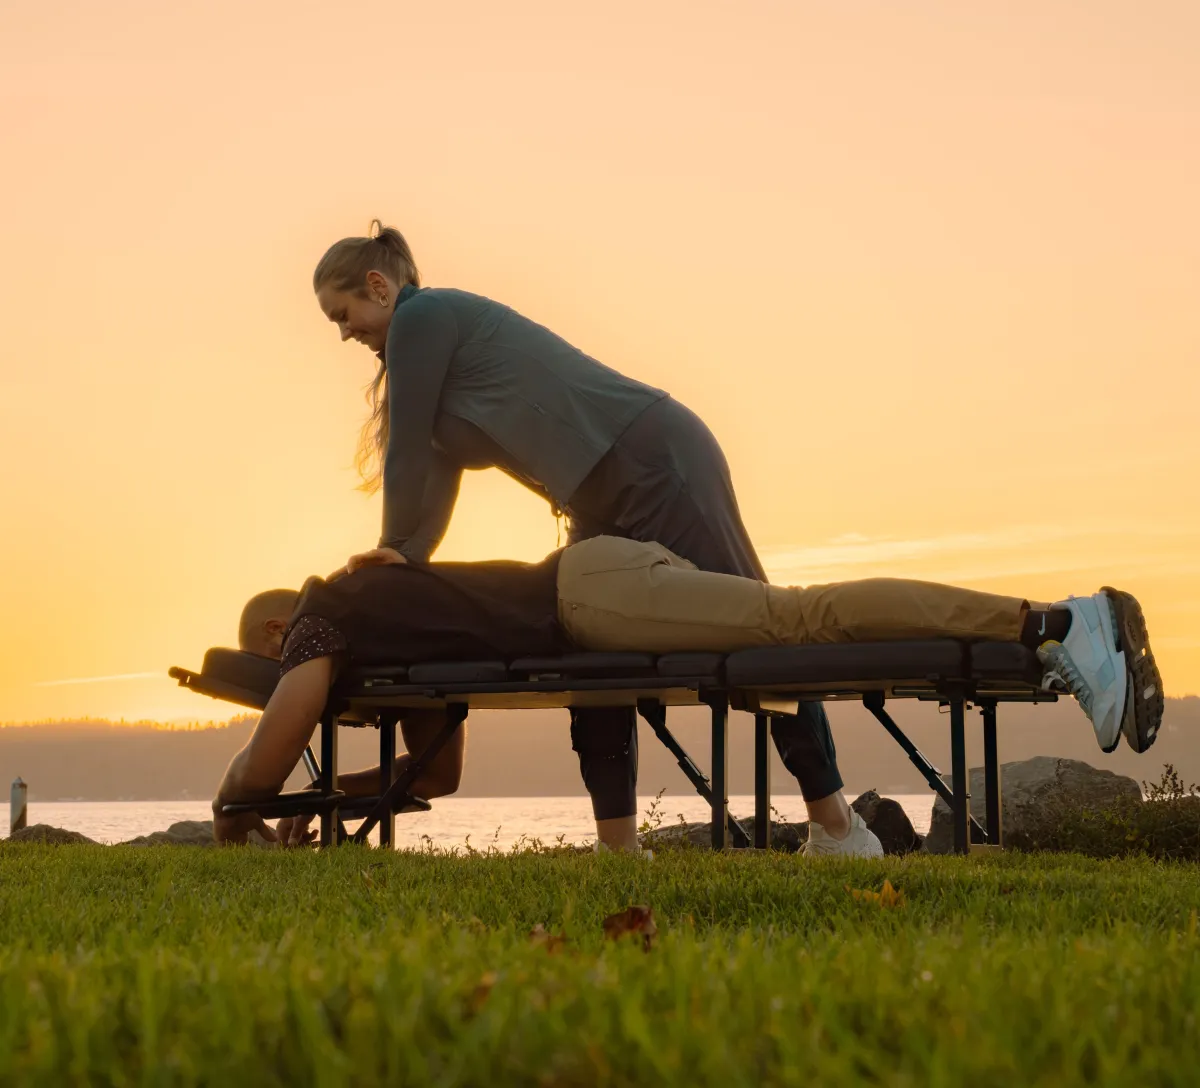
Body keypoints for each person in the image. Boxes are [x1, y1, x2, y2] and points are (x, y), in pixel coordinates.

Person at [309, 220, 859, 855]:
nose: (346, 332)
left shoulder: (423, 317)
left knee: (759, 626)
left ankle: (839, 827)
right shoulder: (426, 354)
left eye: (342, 314)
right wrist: (403, 557)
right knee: (593, 659)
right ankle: (619, 848)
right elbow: (432, 474)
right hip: (595, 496)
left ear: (377, 286)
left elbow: (404, 447)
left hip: (654, 459)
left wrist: (398, 549)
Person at [214, 535, 1164, 851]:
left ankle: (1054, 623)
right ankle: (1047, 642)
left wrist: (235, 801)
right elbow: (444, 770)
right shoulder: (388, 628)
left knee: (801, 621)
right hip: (599, 586)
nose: (285, 668)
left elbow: (276, 734)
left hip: (590, 596)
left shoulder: (320, 607)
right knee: (800, 619)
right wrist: (338, 800)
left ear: (273, 637)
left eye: (278, 660)